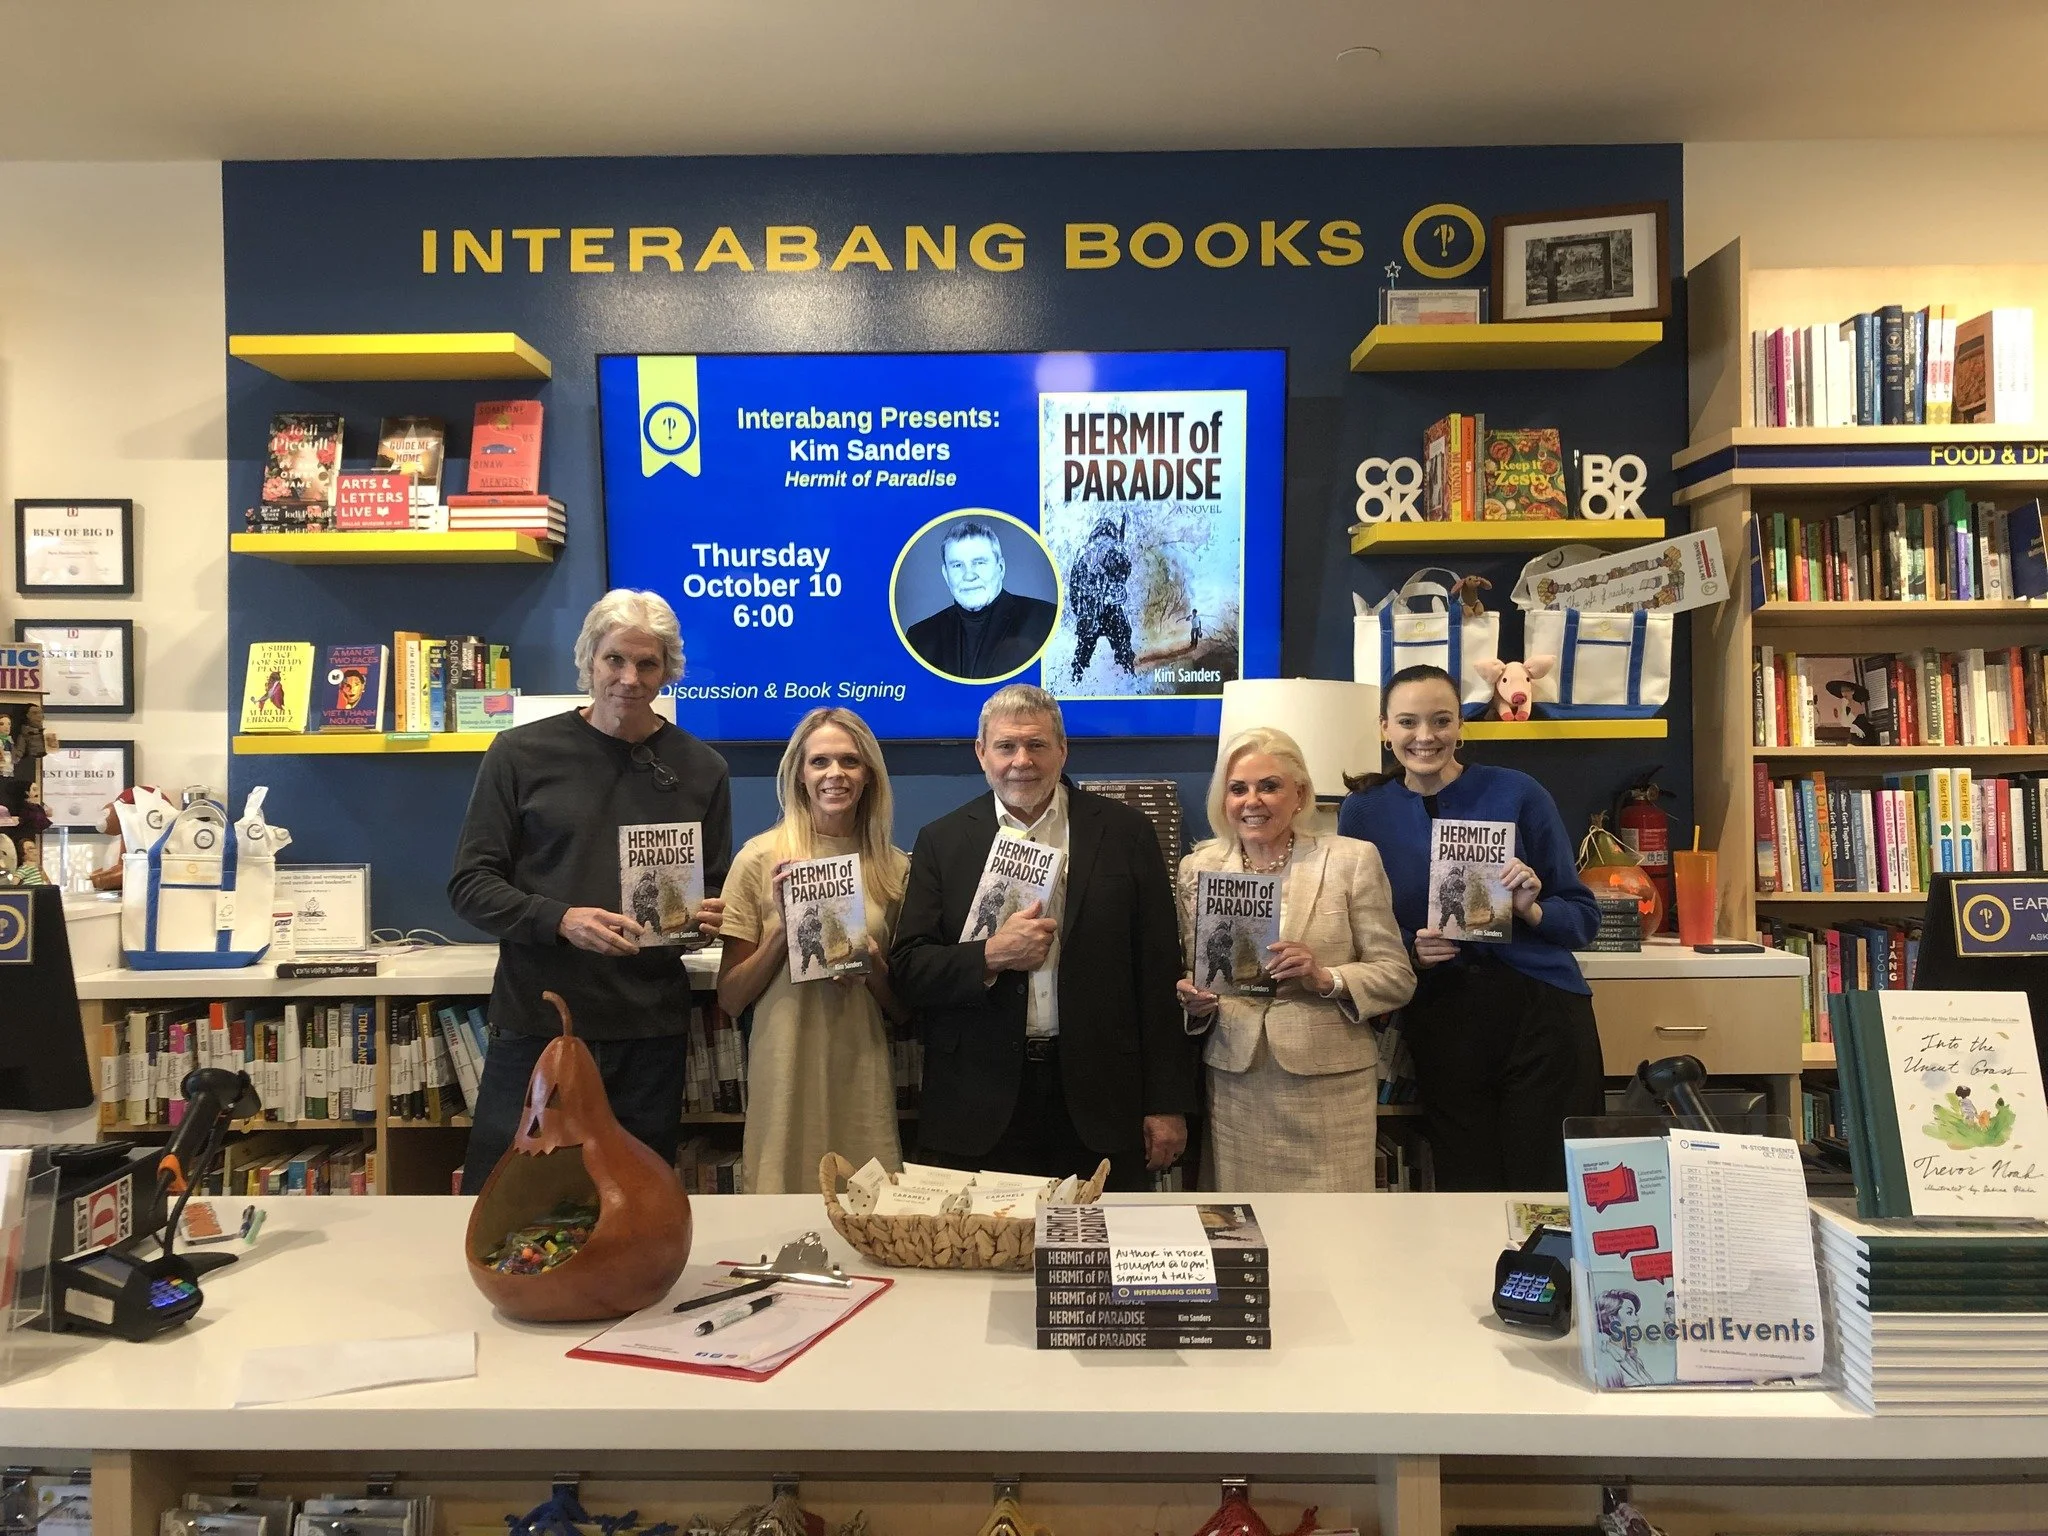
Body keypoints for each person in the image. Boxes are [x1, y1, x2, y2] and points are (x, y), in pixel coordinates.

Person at [449, 589, 732, 1194]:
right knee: (510, 1193)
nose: (629, 679)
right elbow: (470, 886)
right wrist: (559, 919)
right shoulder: (520, 754)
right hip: (539, 1019)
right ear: (589, 661)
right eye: (614, 661)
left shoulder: (702, 768)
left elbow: (709, 882)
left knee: (633, 1197)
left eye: (647, 664)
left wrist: (702, 918)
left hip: (647, 1027)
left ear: (667, 670)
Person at [890, 684, 1195, 1189]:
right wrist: (991, 956)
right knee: (983, 1262)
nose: (1022, 761)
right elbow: (910, 970)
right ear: (981, 753)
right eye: (1006, 746)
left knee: (1099, 1260)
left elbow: (1159, 975)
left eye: (1037, 745)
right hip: (979, 1105)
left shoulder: (1126, 834)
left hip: (1102, 1103)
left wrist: (1166, 1105)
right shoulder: (941, 840)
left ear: (1063, 749)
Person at [1337, 663, 1603, 1193]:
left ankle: (1555, 1278)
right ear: (1384, 729)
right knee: (1467, 1181)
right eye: (1408, 722)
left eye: (1441, 720)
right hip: (1443, 1015)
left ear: (1462, 726)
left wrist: (1532, 909)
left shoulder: (1517, 792)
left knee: (1549, 1186)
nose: (1425, 736)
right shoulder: (1363, 813)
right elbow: (1363, 932)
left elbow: (1583, 919)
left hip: (1541, 1011)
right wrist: (1412, 954)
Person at [1176, 727, 1414, 1192]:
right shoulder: (1198, 869)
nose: (1253, 801)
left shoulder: (1350, 859)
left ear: (1299, 793)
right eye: (1238, 788)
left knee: (1336, 1238)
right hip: (1237, 1085)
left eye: (1269, 786)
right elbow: (1195, 971)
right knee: (1246, 1231)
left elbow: (1397, 977)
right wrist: (1193, 1003)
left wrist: (1325, 977)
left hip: (1330, 1087)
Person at [715, 707, 909, 1192]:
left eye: (850, 761)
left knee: (870, 1211)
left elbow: (904, 1008)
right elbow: (730, 998)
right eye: (820, 762)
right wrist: (785, 929)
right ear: (800, 775)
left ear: (869, 776)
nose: (835, 775)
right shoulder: (760, 858)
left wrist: (873, 969)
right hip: (784, 1066)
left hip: (859, 1065)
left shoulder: (894, 868)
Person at [903, 519, 1056, 680]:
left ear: (1000, 568)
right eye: (957, 565)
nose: (969, 575)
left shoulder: (1046, 620)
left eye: (979, 563)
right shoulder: (919, 638)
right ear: (946, 575)